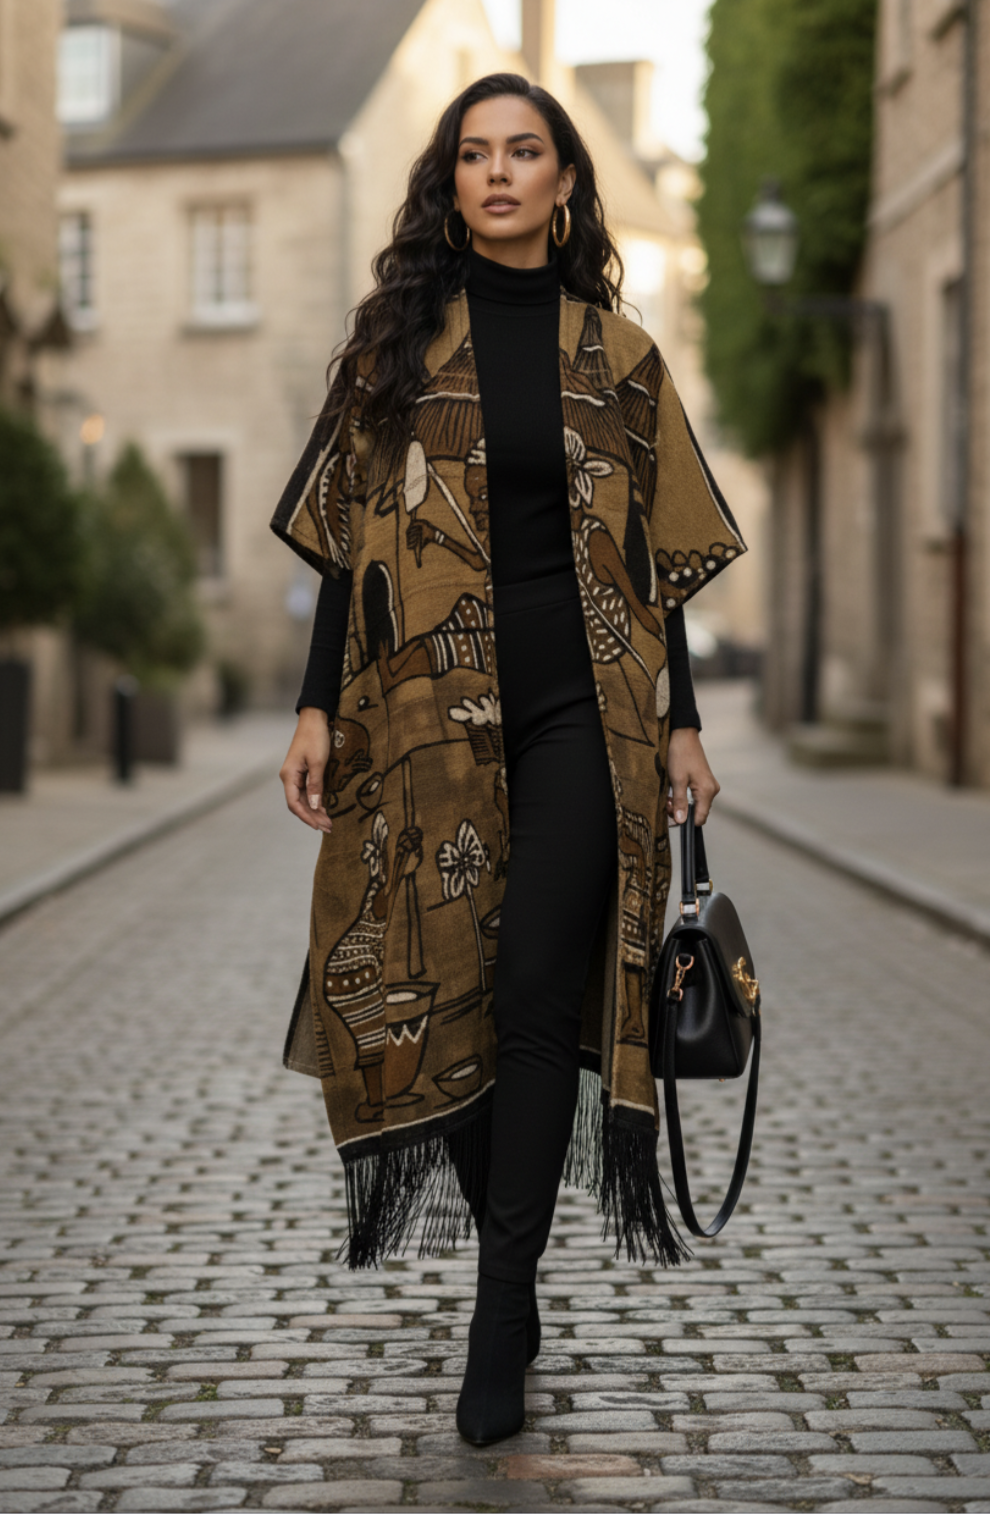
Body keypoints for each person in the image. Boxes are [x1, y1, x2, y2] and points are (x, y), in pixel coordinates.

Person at [271, 72, 747, 1448]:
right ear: (450, 183)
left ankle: (499, 1303)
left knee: (540, 999)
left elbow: (657, 567)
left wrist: (682, 720)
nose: (495, 173)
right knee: (451, 994)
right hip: (424, 723)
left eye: (521, 151)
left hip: (582, 721)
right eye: (472, 154)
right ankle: (510, 1246)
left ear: (560, 180)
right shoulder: (397, 350)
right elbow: (350, 550)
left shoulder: (620, 353)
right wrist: (316, 707)